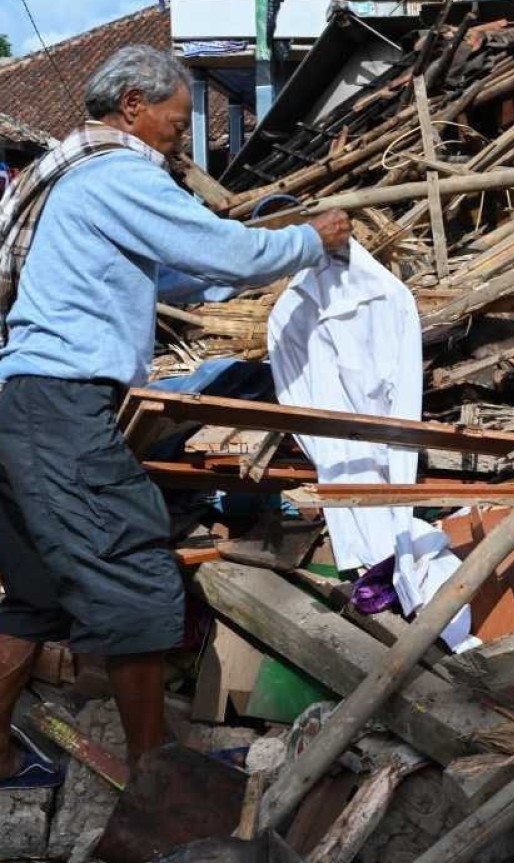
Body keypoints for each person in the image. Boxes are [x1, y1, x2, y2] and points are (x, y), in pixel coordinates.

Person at [0, 45, 351, 786]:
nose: (178, 132)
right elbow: (221, 248)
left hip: (20, 405)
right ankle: (155, 778)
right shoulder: (116, 171)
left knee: (30, 599)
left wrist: (240, 269)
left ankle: (1, 760)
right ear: (132, 104)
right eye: (172, 114)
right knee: (138, 585)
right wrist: (308, 242)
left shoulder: (61, 180)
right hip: (64, 408)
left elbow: (172, 273)